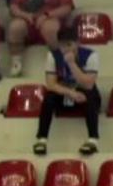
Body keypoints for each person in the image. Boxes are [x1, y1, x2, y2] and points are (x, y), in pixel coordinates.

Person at [33, 25, 100, 157]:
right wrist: (70, 93)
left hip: (83, 93)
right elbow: (51, 84)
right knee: (49, 97)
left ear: (77, 43)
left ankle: (93, 140)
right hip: (65, 92)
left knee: (91, 95)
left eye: (69, 45)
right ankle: (42, 139)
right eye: (62, 45)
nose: (66, 49)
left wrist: (72, 64)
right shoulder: (53, 56)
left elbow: (88, 84)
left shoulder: (91, 55)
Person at [6, 0, 75, 77]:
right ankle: (16, 64)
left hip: (49, 22)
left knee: (49, 26)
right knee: (15, 26)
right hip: (29, 23)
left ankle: (58, 59)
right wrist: (25, 15)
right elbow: (13, 7)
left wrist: (47, 15)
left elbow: (67, 8)